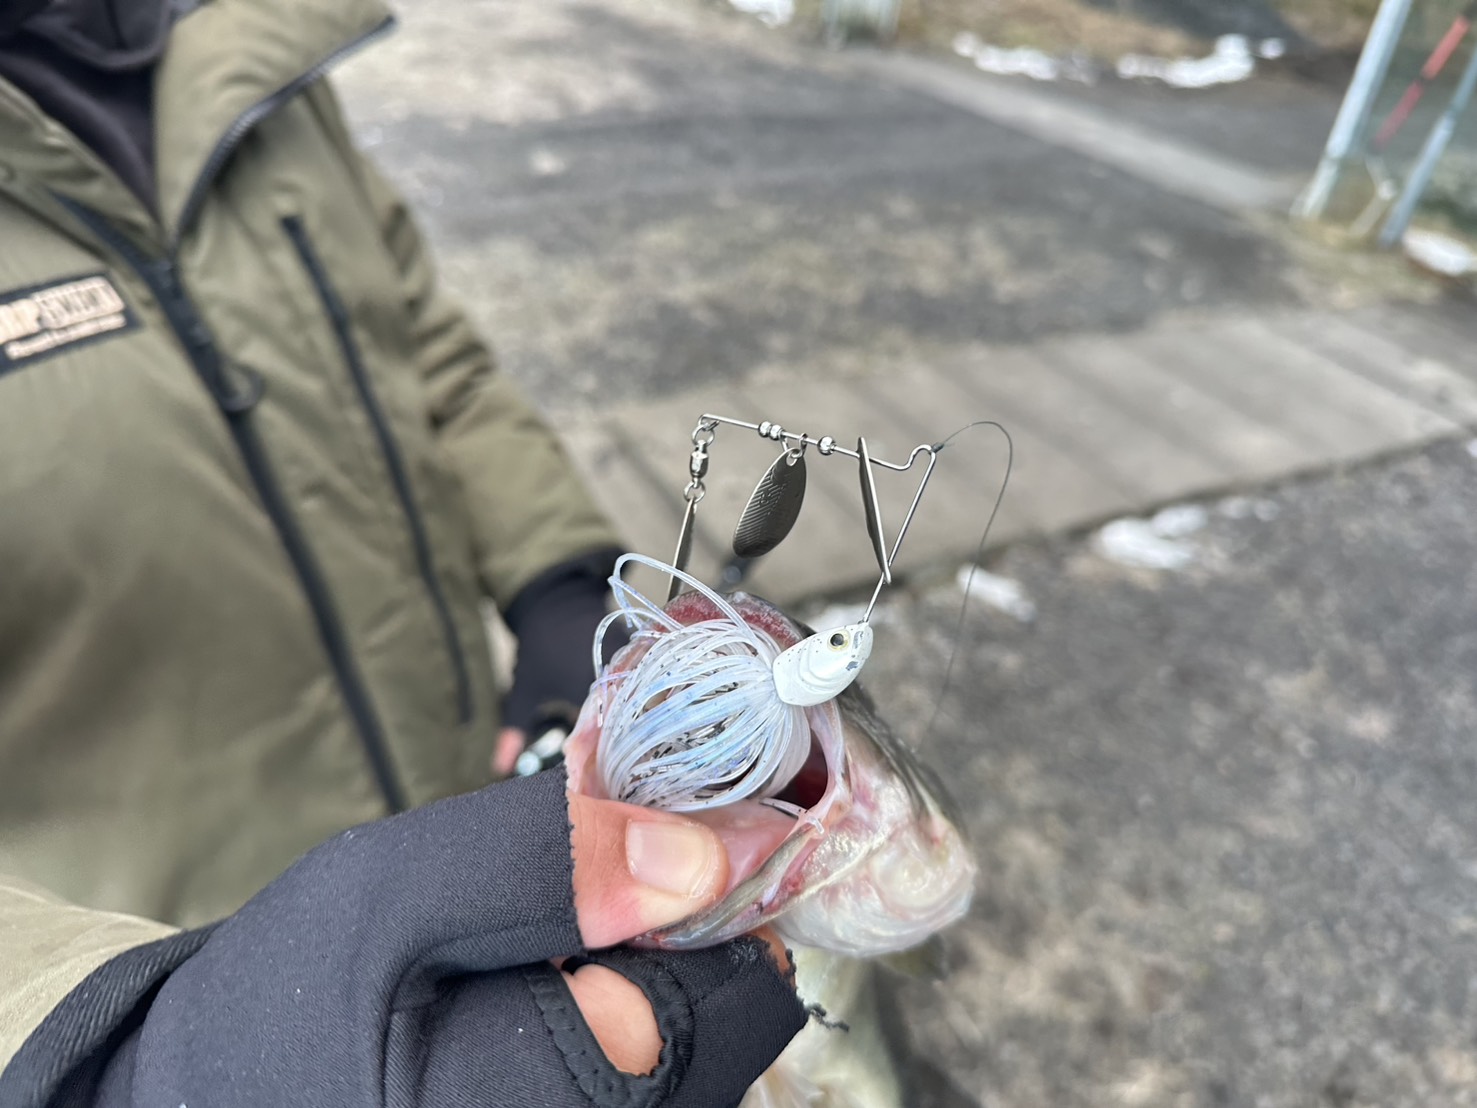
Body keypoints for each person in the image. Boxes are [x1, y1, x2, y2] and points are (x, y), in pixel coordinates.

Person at [0, 0, 805, 1103]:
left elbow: (429, 357)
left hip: (469, 800)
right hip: (188, 950)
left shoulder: (253, 51)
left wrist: (558, 578)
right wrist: (108, 1050)